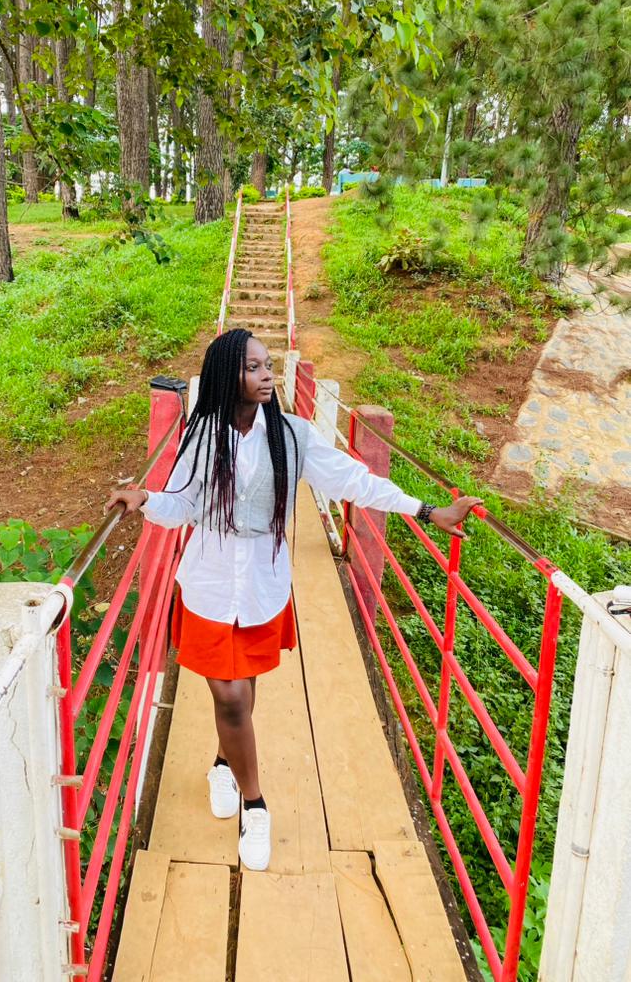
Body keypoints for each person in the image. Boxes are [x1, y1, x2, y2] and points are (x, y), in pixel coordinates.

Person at [106, 328, 481, 871]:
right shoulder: (202, 434)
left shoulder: (292, 435)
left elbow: (357, 481)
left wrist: (427, 511)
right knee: (231, 697)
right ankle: (255, 805)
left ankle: (221, 764)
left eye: (268, 366)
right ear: (226, 376)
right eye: (254, 367)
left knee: (244, 688)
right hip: (210, 583)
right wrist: (143, 499)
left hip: (261, 583)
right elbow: (183, 504)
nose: (266, 376)